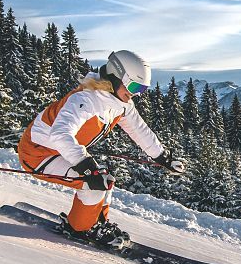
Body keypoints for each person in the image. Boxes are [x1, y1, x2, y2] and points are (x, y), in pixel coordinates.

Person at [18, 48, 178, 245]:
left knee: (104, 178)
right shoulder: (86, 99)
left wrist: (162, 156)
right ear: (117, 78)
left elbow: (139, 130)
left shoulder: (121, 103)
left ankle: (96, 222)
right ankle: (80, 228)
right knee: (92, 182)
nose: (135, 94)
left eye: (142, 90)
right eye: (135, 86)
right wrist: (84, 162)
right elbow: (60, 134)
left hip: (61, 152)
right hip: (38, 153)